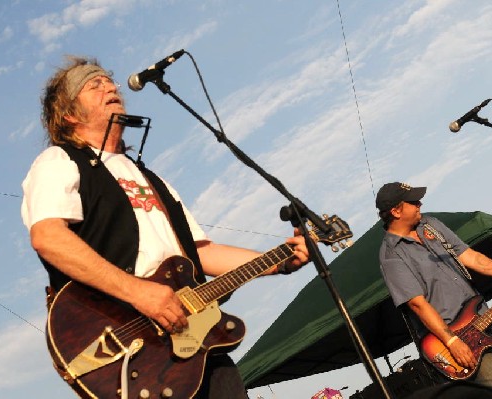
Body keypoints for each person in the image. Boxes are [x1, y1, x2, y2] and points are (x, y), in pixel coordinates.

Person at [20, 56, 309, 398]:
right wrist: (137, 292)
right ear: (68, 114)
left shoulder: (150, 178)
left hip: (198, 340)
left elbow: (200, 253)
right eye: (92, 85)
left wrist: (280, 260)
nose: (109, 87)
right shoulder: (60, 161)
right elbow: (48, 237)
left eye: (108, 81)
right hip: (129, 346)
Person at [376, 182, 492, 388]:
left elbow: (469, 257)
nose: (420, 203)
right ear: (395, 211)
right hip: (457, 342)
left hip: (482, 325)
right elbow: (417, 304)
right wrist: (452, 342)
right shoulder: (391, 254)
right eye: (412, 201)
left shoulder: (430, 225)